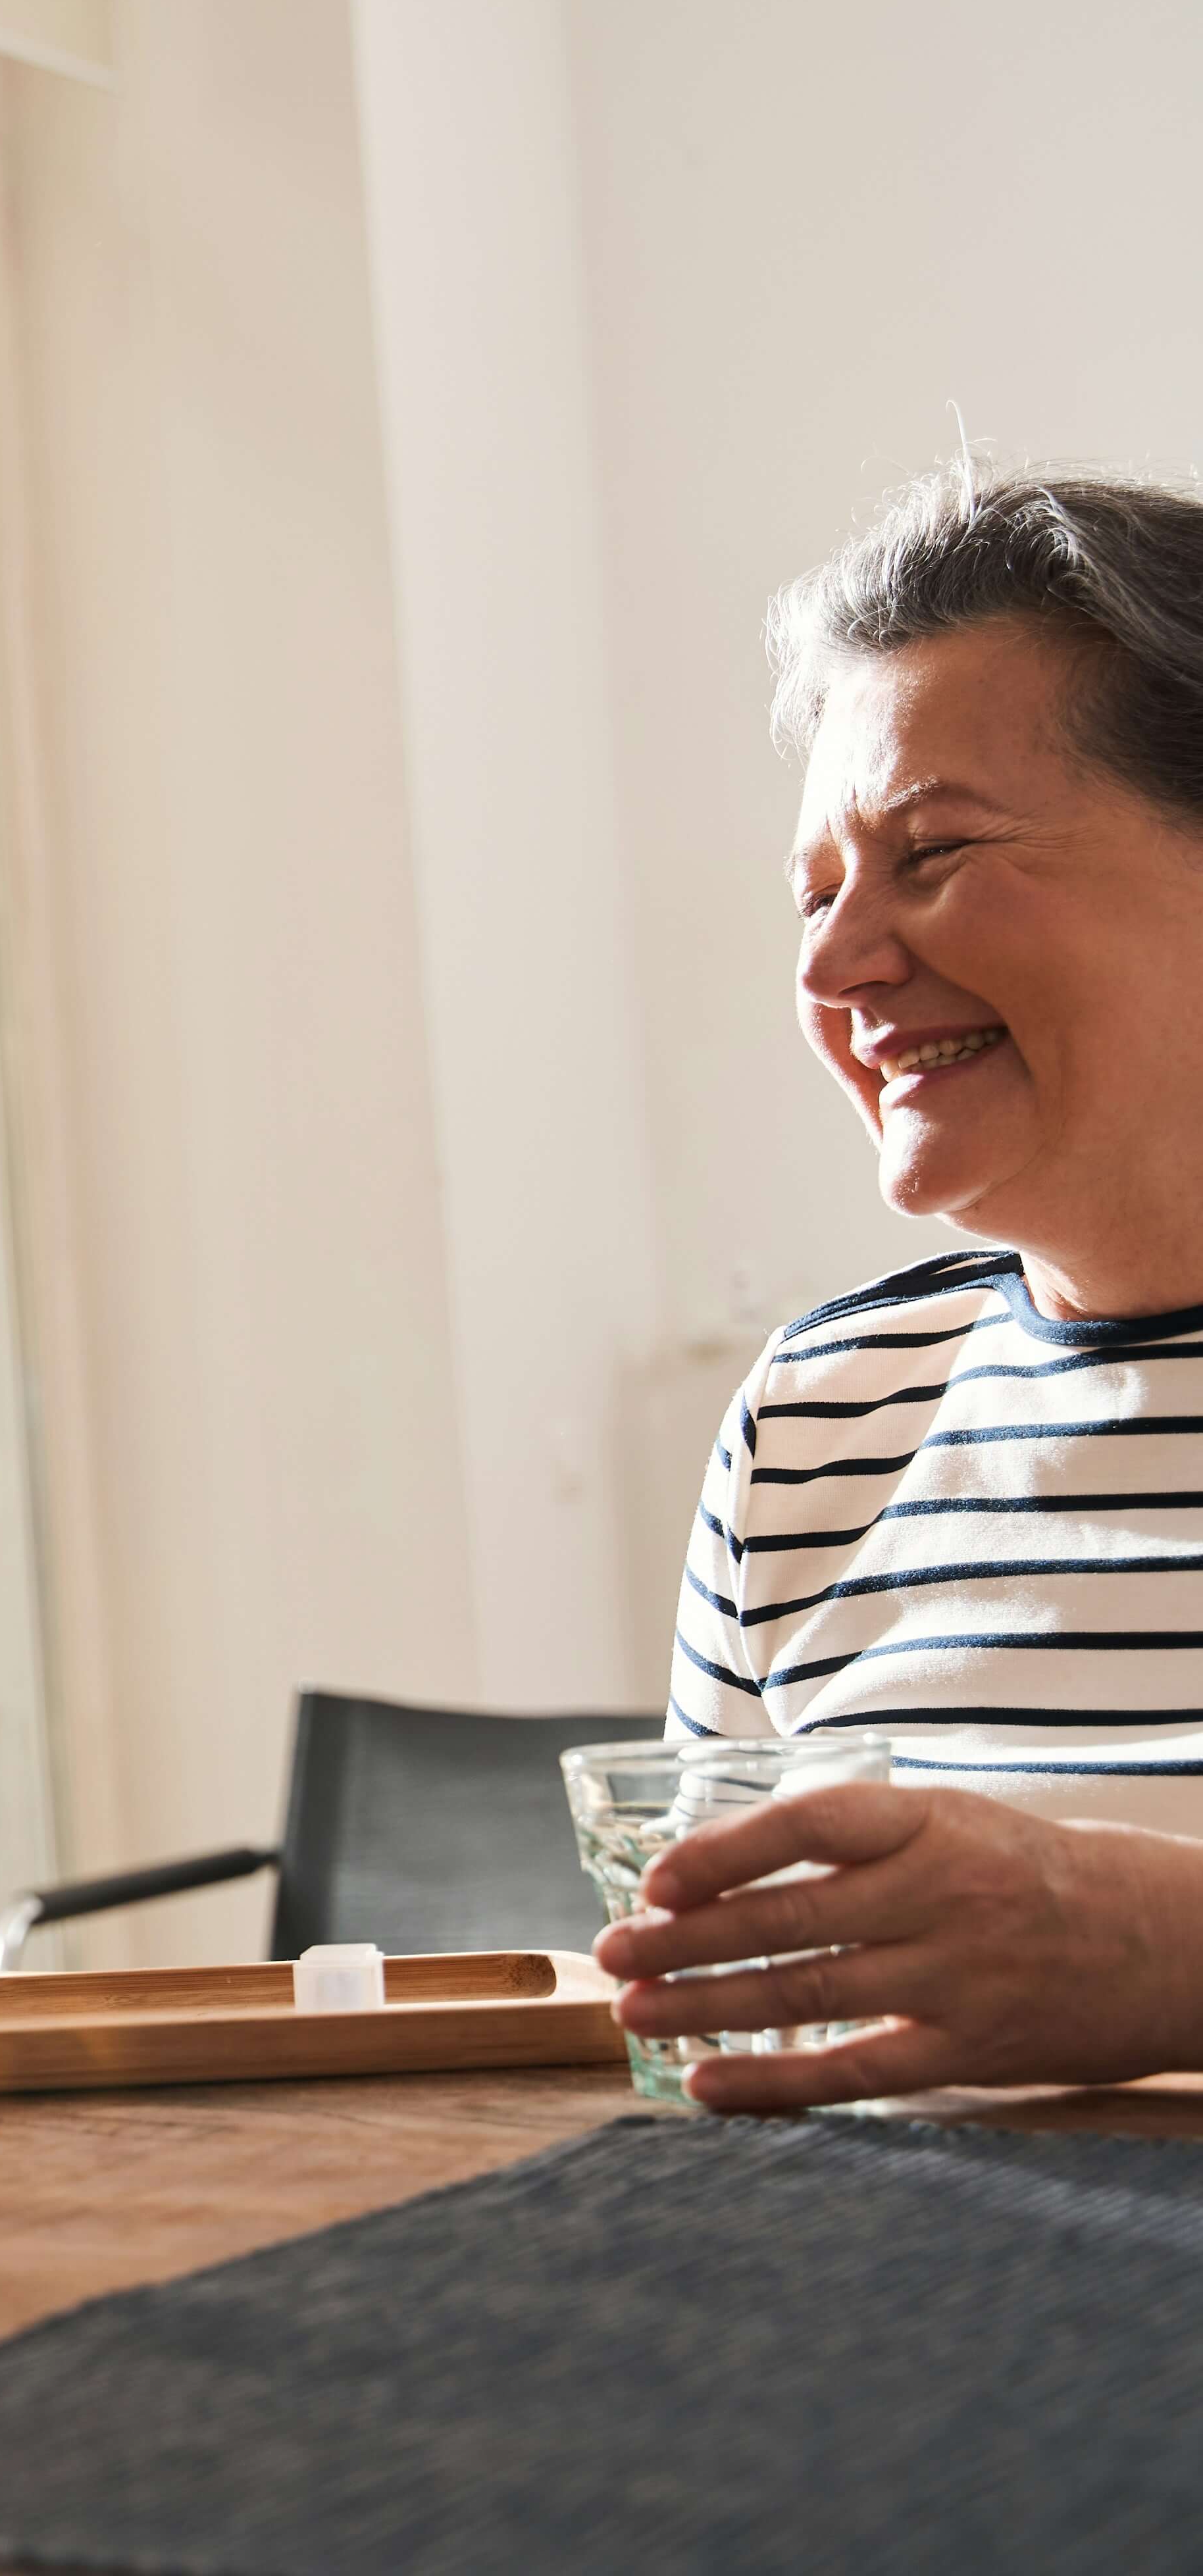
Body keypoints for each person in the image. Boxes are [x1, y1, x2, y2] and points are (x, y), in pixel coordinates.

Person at [603, 463, 1203, 2109]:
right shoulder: (820, 1418)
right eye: (816, 893)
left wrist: (1160, 1953)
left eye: (932, 852)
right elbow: (723, 2010)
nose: (832, 965)